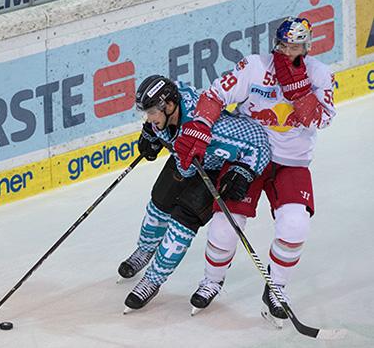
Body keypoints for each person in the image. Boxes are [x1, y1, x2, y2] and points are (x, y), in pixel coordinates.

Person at [173, 17, 336, 328]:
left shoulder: (319, 74)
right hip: (250, 155)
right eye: (285, 45)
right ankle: (211, 281)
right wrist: (201, 126)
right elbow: (213, 96)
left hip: (293, 161)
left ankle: (276, 290)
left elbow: (320, 121)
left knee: (295, 225)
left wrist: (299, 90)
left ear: (307, 45)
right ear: (276, 42)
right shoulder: (254, 67)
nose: (289, 51)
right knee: (224, 225)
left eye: (296, 45)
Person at [119, 74, 271, 312]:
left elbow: (259, 141)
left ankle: (152, 280)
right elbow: (177, 88)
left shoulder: (214, 126)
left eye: (151, 113)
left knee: (184, 219)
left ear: (169, 107)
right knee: (160, 201)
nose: (148, 119)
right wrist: (149, 134)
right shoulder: (168, 106)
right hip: (184, 158)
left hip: (211, 168)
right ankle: (146, 249)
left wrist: (245, 171)